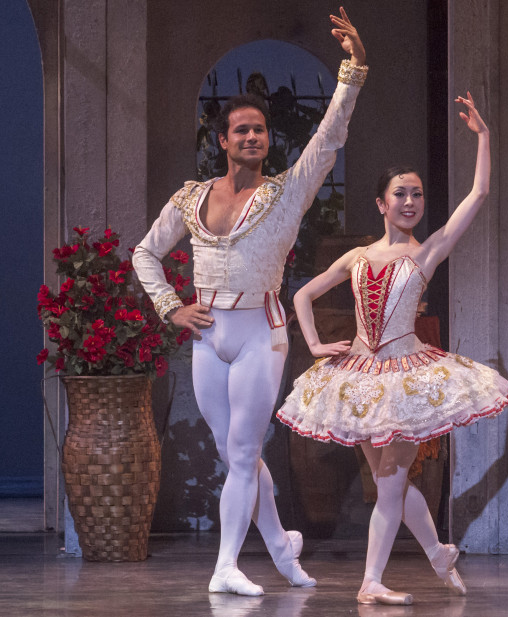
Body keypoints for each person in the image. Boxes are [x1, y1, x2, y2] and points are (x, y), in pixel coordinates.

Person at [132, 7, 367, 596]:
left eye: (260, 130)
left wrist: (352, 71)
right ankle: (284, 548)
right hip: (210, 337)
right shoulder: (190, 198)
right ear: (222, 140)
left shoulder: (285, 195)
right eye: (241, 130)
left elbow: (329, 136)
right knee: (235, 456)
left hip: (263, 331)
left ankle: (226, 566)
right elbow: (144, 253)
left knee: (242, 453)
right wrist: (171, 307)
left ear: (268, 139)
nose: (252, 137)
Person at [277, 93, 508, 605]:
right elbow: (301, 293)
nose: (411, 202)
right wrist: (316, 343)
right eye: (401, 194)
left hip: (407, 378)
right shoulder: (359, 256)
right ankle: (438, 554)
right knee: (393, 484)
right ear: (381, 203)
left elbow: (478, 194)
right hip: (362, 376)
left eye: (418, 194)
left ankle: (370, 582)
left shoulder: (426, 253)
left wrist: (484, 137)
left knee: (389, 482)